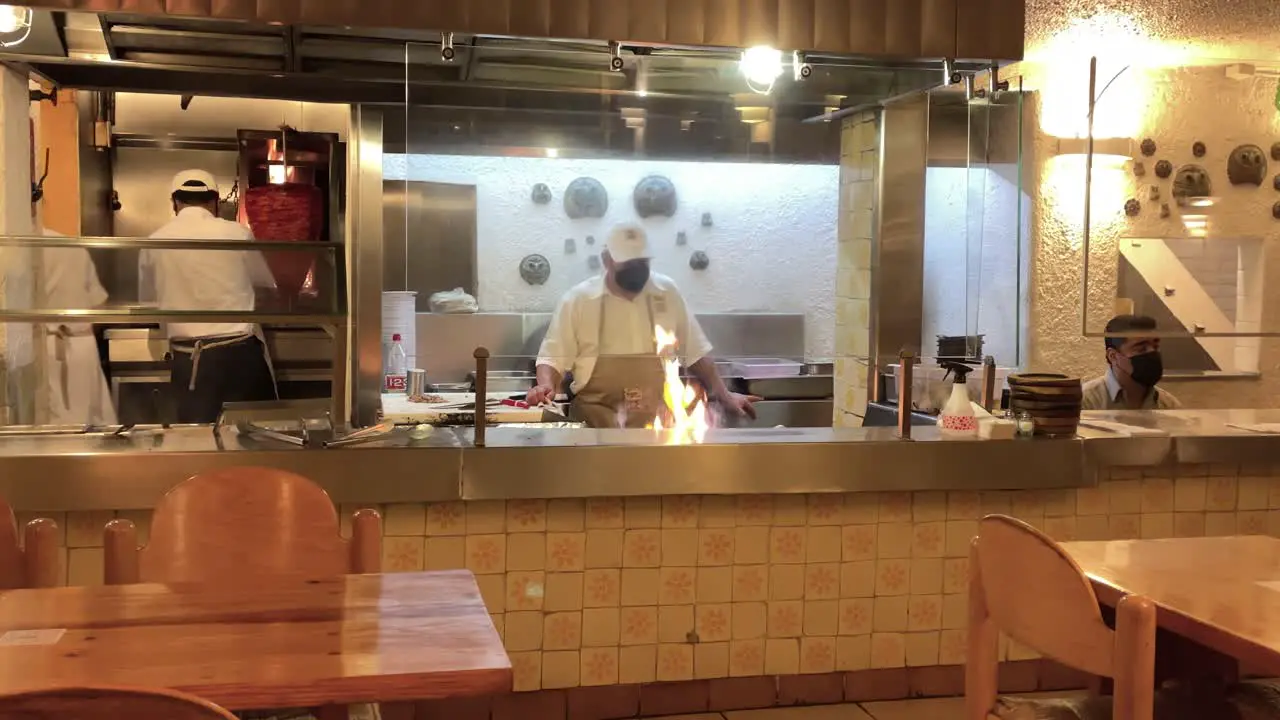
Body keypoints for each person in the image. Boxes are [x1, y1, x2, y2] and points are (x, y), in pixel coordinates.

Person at [528, 223, 758, 428]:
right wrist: (544, 387)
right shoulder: (579, 300)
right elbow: (552, 357)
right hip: (594, 424)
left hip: (655, 424)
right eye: (628, 263)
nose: (636, 269)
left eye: (642, 262)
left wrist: (725, 395)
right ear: (607, 260)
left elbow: (696, 352)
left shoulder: (666, 293)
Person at [140, 169, 278, 423]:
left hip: (189, 360)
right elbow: (266, 288)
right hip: (239, 358)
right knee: (254, 441)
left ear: (174, 202)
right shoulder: (238, 233)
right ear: (214, 201)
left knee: (198, 444)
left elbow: (148, 301)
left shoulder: (154, 240)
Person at [37, 211, 116, 426]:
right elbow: (99, 303)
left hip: (42, 347)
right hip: (82, 345)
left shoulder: (13, 248)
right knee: (89, 423)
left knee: (51, 427)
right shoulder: (70, 246)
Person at [1081, 314, 1181, 410]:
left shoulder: (1169, 405)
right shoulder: (1086, 402)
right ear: (1113, 356)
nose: (1152, 352)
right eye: (1141, 348)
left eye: (1155, 347)